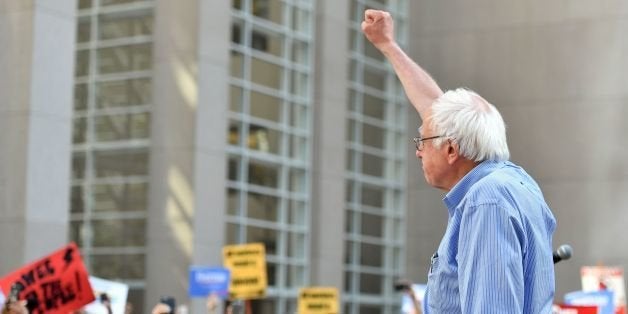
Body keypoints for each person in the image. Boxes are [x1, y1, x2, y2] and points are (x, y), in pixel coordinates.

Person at [362, 9, 556, 314]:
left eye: (422, 142)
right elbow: (433, 110)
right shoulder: (512, 182)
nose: (418, 152)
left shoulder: (486, 201)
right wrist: (388, 45)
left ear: (451, 150)